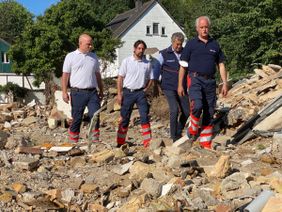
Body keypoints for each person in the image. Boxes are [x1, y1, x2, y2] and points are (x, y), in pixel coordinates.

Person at [178, 16, 228, 149]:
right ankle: (193, 128)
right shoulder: (191, 44)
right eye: (201, 27)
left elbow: (221, 64)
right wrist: (180, 85)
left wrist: (224, 82)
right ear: (197, 29)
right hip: (195, 79)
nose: (204, 29)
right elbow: (183, 66)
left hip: (211, 82)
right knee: (197, 105)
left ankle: (205, 143)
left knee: (209, 112)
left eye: (206, 27)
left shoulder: (214, 44)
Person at [61, 33, 103, 143]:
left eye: (91, 44)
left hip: (92, 92)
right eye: (88, 44)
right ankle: (73, 142)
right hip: (77, 93)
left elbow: (98, 75)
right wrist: (64, 92)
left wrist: (101, 90)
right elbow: (65, 76)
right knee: (77, 119)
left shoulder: (93, 57)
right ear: (80, 43)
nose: (90, 46)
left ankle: (94, 142)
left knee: (95, 115)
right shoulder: (71, 56)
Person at [116, 40, 153, 148]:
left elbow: (151, 78)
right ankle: (120, 142)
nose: (141, 51)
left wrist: (146, 88)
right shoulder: (126, 61)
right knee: (124, 118)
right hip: (128, 92)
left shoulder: (147, 63)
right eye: (139, 48)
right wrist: (119, 93)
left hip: (140, 93)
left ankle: (148, 142)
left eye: (142, 49)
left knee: (144, 116)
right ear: (134, 48)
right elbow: (120, 78)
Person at [153, 32, 189, 142]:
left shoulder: (185, 53)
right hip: (168, 87)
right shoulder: (163, 54)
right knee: (174, 110)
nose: (179, 46)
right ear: (172, 42)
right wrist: (155, 84)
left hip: (182, 87)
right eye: (177, 44)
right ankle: (173, 137)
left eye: (181, 44)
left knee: (187, 112)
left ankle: (178, 130)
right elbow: (156, 69)